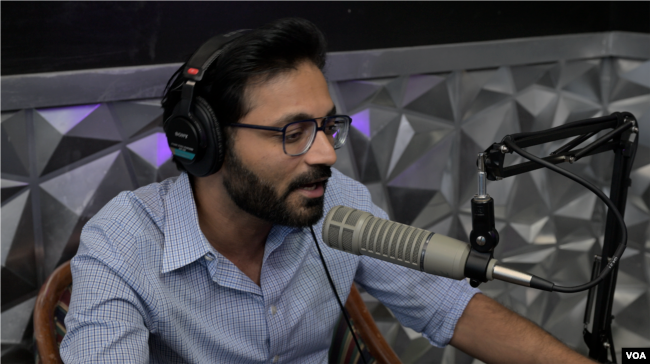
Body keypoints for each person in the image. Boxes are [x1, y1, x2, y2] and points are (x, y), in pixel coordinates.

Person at [60, 18, 595, 363]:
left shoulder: (336, 204)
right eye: (293, 133)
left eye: (327, 127)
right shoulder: (122, 242)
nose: (326, 155)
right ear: (203, 143)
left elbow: (453, 310)